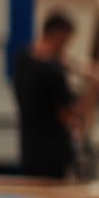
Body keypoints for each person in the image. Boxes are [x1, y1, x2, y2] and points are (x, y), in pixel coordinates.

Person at [12, 11, 87, 178]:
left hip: (29, 148)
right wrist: (93, 92)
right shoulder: (52, 72)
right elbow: (69, 114)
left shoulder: (22, 59)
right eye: (66, 41)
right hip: (52, 153)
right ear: (59, 36)